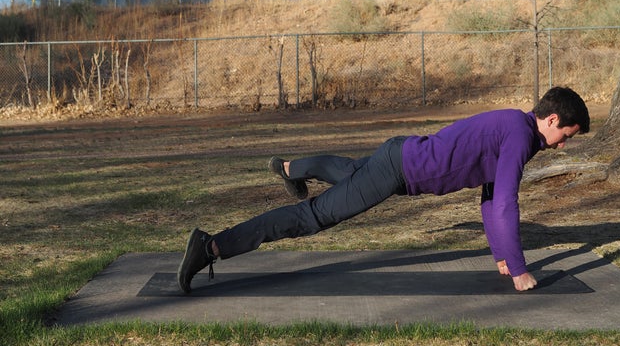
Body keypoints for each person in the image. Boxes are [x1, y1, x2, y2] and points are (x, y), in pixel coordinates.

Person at [178, 86, 590, 294]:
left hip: (400, 155)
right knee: (312, 217)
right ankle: (211, 247)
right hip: (399, 170)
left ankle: (291, 168)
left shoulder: (514, 126)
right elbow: (504, 203)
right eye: (566, 135)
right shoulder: (520, 137)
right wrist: (518, 268)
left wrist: (501, 255)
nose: (564, 144)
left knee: (351, 172)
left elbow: (488, 194)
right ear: (552, 119)